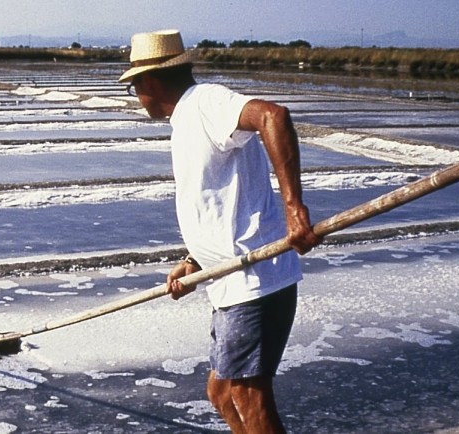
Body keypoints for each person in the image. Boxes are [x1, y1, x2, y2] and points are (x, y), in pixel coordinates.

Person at [118, 29, 322, 433]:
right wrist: (192, 261)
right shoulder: (188, 120)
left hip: (254, 280)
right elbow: (220, 204)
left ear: (151, 81)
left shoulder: (205, 102)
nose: (135, 96)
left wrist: (294, 208)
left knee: (247, 394)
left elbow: (273, 115)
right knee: (222, 394)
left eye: (134, 86)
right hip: (227, 279)